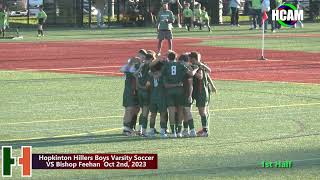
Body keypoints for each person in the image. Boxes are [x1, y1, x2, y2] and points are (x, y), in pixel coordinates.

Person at [161, 51, 198, 138]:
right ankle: (179, 132)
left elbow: (161, 76)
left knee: (171, 111)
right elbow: (190, 73)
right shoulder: (180, 65)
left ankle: (173, 132)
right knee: (180, 110)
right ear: (175, 58)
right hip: (180, 91)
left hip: (169, 91)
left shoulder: (166, 66)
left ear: (168, 58)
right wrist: (196, 68)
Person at [189, 52, 216, 137]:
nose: (189, 60)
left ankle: (205, 130)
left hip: (201, 91)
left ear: (193, 58)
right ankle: (205, 128)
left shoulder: (200, 66)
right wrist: (212, 86)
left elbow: (204, 75)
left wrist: (195, 69)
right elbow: (208, 75)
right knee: (203, 111)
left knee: (202, 112)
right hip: (198, 91)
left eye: (190, 58)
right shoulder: (197, 65)